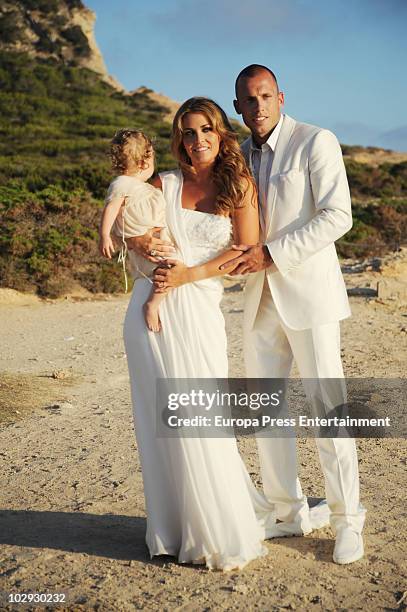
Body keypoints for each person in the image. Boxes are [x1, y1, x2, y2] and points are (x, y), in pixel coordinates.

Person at [123, 97, 278, 571]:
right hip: (150, 312)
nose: (198, 140)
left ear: (220, 132)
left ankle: (212, 526)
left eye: (206, 130)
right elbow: (128, 222)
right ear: (179, 139)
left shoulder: (239, 185)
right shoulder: (163, 183)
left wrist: (189, 275)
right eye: (188, 133)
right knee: (160, 422)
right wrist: (139, 241)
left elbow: (246, 250)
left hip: (199, 308)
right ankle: (170, 530)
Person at [222, 64, 366, 564]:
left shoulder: (315, 141)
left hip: (309, 297)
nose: (258, 105)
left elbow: (337, 216)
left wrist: (273, 254)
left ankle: (349, 520)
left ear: (280, 97)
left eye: (265, 95)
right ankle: (287, 511)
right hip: (259, 299)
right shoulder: (237, 156)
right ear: (238, 106)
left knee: (329, 410)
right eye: (248, 99)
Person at [99, 128, 174, 332]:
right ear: (144, 162)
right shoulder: (122, 184)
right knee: (170, 268)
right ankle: (153, 304)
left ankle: (153, 302)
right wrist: (105, 235)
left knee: (165, 268)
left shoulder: (140, 187)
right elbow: (111, 208)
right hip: (144, 240)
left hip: (149, 237)